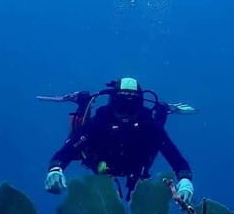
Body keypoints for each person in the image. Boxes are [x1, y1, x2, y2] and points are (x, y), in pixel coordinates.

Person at [42, 77, 195, 203]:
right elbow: (68, 150)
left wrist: (185, 180)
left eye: (132, 106)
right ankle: (84, 102)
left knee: (157, 127)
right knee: (79, 142)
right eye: (122, 106)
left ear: (139, 105)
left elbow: (174, 156)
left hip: (137, 164)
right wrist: (56, 169)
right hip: (102, 162)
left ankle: (162, 109)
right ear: (113, 103)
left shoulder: (149, 125)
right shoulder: (99, 122)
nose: (126, 114)